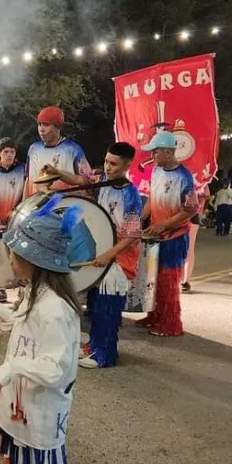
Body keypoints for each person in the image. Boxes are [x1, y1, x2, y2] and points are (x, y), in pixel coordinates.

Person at [0, 199, 80, 464]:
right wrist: (1, 311)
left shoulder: (53, 309)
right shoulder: (37, 293)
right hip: (25, 408)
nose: (11, 256)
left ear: (34, 260)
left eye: (15, 252)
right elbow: (26, 326)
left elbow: (54, 368)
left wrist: (9, 369)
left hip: (38, 410)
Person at [79, 142, 141, 369]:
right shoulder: (104, 183)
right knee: (95, 306)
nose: (107, 167)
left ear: (127, 165)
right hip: (103, 252)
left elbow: (133, 235)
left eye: (113, 164)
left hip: (119, 260)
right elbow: (80, 180)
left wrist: (109, 255)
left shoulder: (130, 193)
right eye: (106, 161)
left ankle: (104, 354)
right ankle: (94, 346)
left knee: (108, 309)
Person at [136, 130, 198, 337]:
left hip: (175, 237)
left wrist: (164, 225)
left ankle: (171, 324)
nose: (152, 156)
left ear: (168, 152)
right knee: (152, 278)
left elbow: (190, 210)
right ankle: (154, 315)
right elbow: (152, 200)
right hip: (157, 234)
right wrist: (139, 219)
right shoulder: (156, 171)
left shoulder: (185, 178)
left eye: (155, 152)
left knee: (168, 281)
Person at [0, 137, 27, 303]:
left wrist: (16, 211)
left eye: (12, 151)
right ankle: (2, 289)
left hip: (18, 217)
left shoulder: (23, 170)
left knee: (20, 253)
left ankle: (22, 289)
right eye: (6, 152)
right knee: (0, 253)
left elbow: (27, 192)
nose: (9, 155)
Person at [24, 106, 92, 198]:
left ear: (58, 127)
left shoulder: (72, 149)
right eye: (39, 124)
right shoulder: (33, 149)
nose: (41, 129)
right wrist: (21, 207)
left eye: (46, 125)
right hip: (36, 207)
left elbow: (87, 180)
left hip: (64, 207)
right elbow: (27, 181)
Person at [181, 183, 210, 293]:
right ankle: (185, 281)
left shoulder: (175, 173)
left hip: (176, 213)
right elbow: (206, 194)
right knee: (189, 248)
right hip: (194, 214)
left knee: (174, 246)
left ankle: (177, 279)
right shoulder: (201, 177)